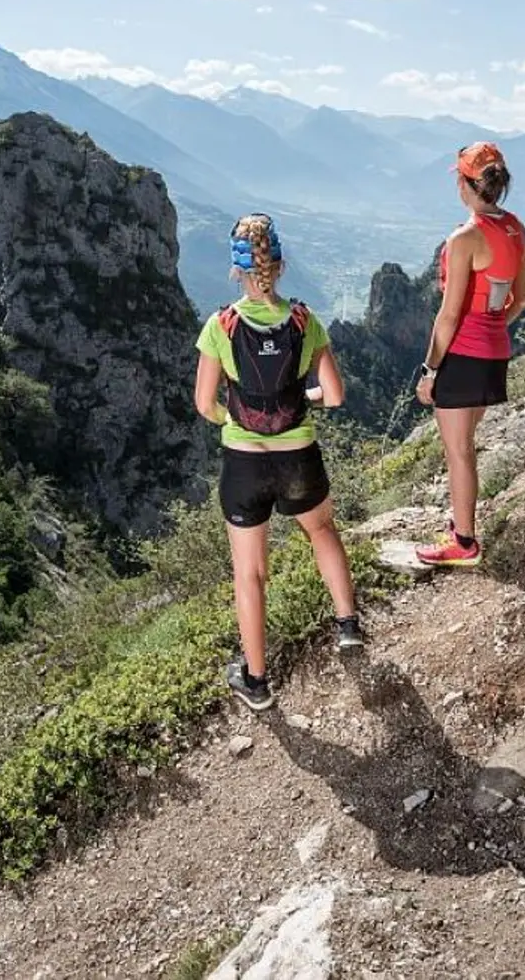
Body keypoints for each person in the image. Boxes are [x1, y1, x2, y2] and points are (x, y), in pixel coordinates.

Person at [194, 213, 363, 712]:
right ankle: (348, 626)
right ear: (281, 266)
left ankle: (257, 681)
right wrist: (298, 396)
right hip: (298, 455)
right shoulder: (305, 322)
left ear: (235, 271)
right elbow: (333, 395)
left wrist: (239, 418)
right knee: (323, 532)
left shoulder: (219, 326)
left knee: (250, 573)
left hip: (244, 464)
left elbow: (205, 405)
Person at [413, 143, 525, 567]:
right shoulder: (515, 228)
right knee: (463, 444)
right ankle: (460, 522)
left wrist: (429, 371)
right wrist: (492, 326)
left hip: (462, 353)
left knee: (458, 449)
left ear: (465, 183)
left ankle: (463, 542)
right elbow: (520, 299)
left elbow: (447, 317)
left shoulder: (464, 239)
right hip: (494, 352)